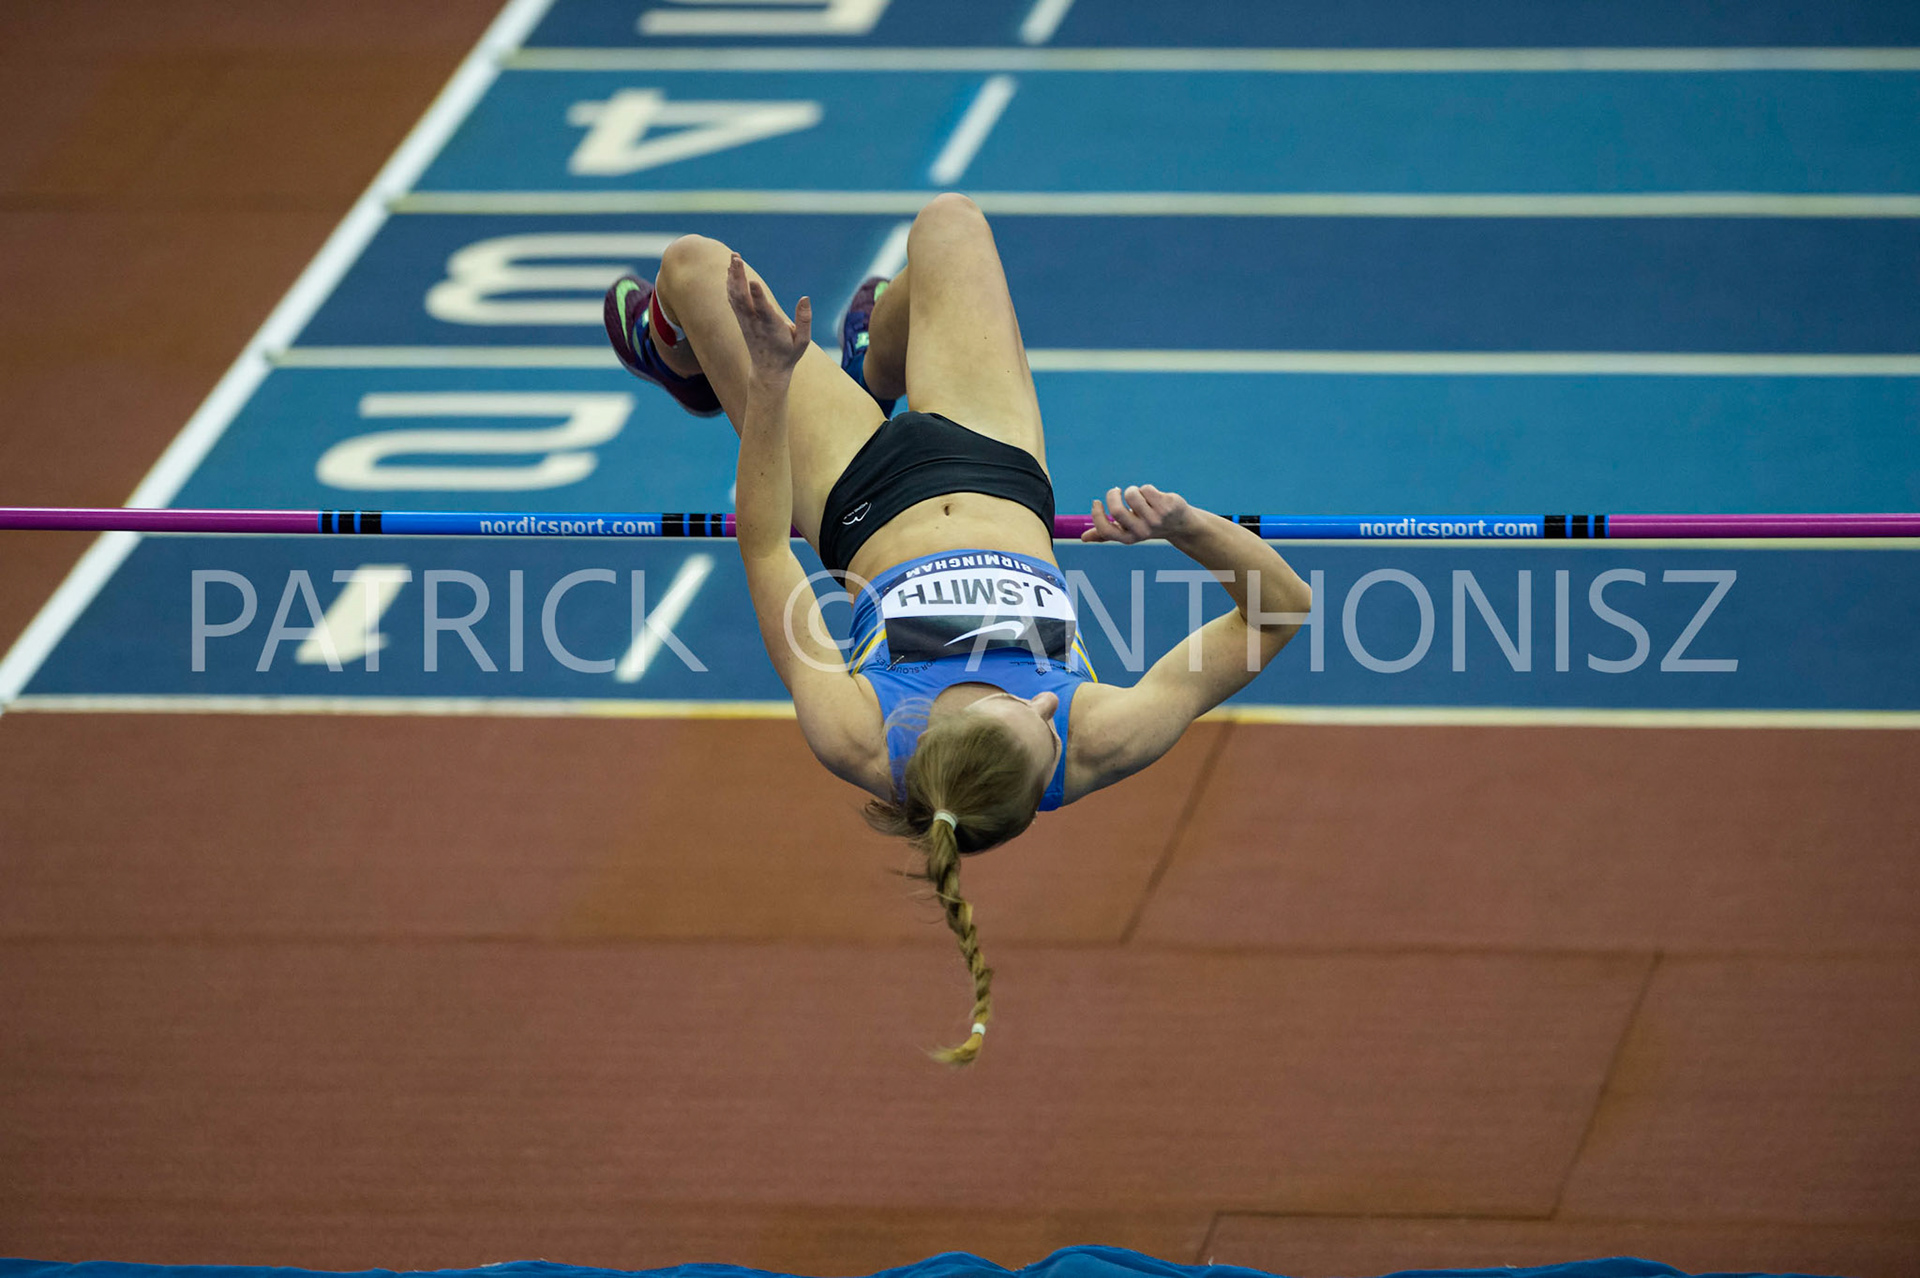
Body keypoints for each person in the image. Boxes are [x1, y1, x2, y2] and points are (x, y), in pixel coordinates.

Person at [604, 193, 1311, 1063]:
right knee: (951, 224)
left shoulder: (861, 738)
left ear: (950, 728)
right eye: (1049, 722)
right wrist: (1187, 527)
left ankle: (674, 357)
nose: (1053, 709)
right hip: (1000, 462)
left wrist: (770, 386)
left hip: (852, 494)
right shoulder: (1096, 740)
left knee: (692, 266)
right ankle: (876, 353)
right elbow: (1279, 611)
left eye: (1030, 715)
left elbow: (762, 552)